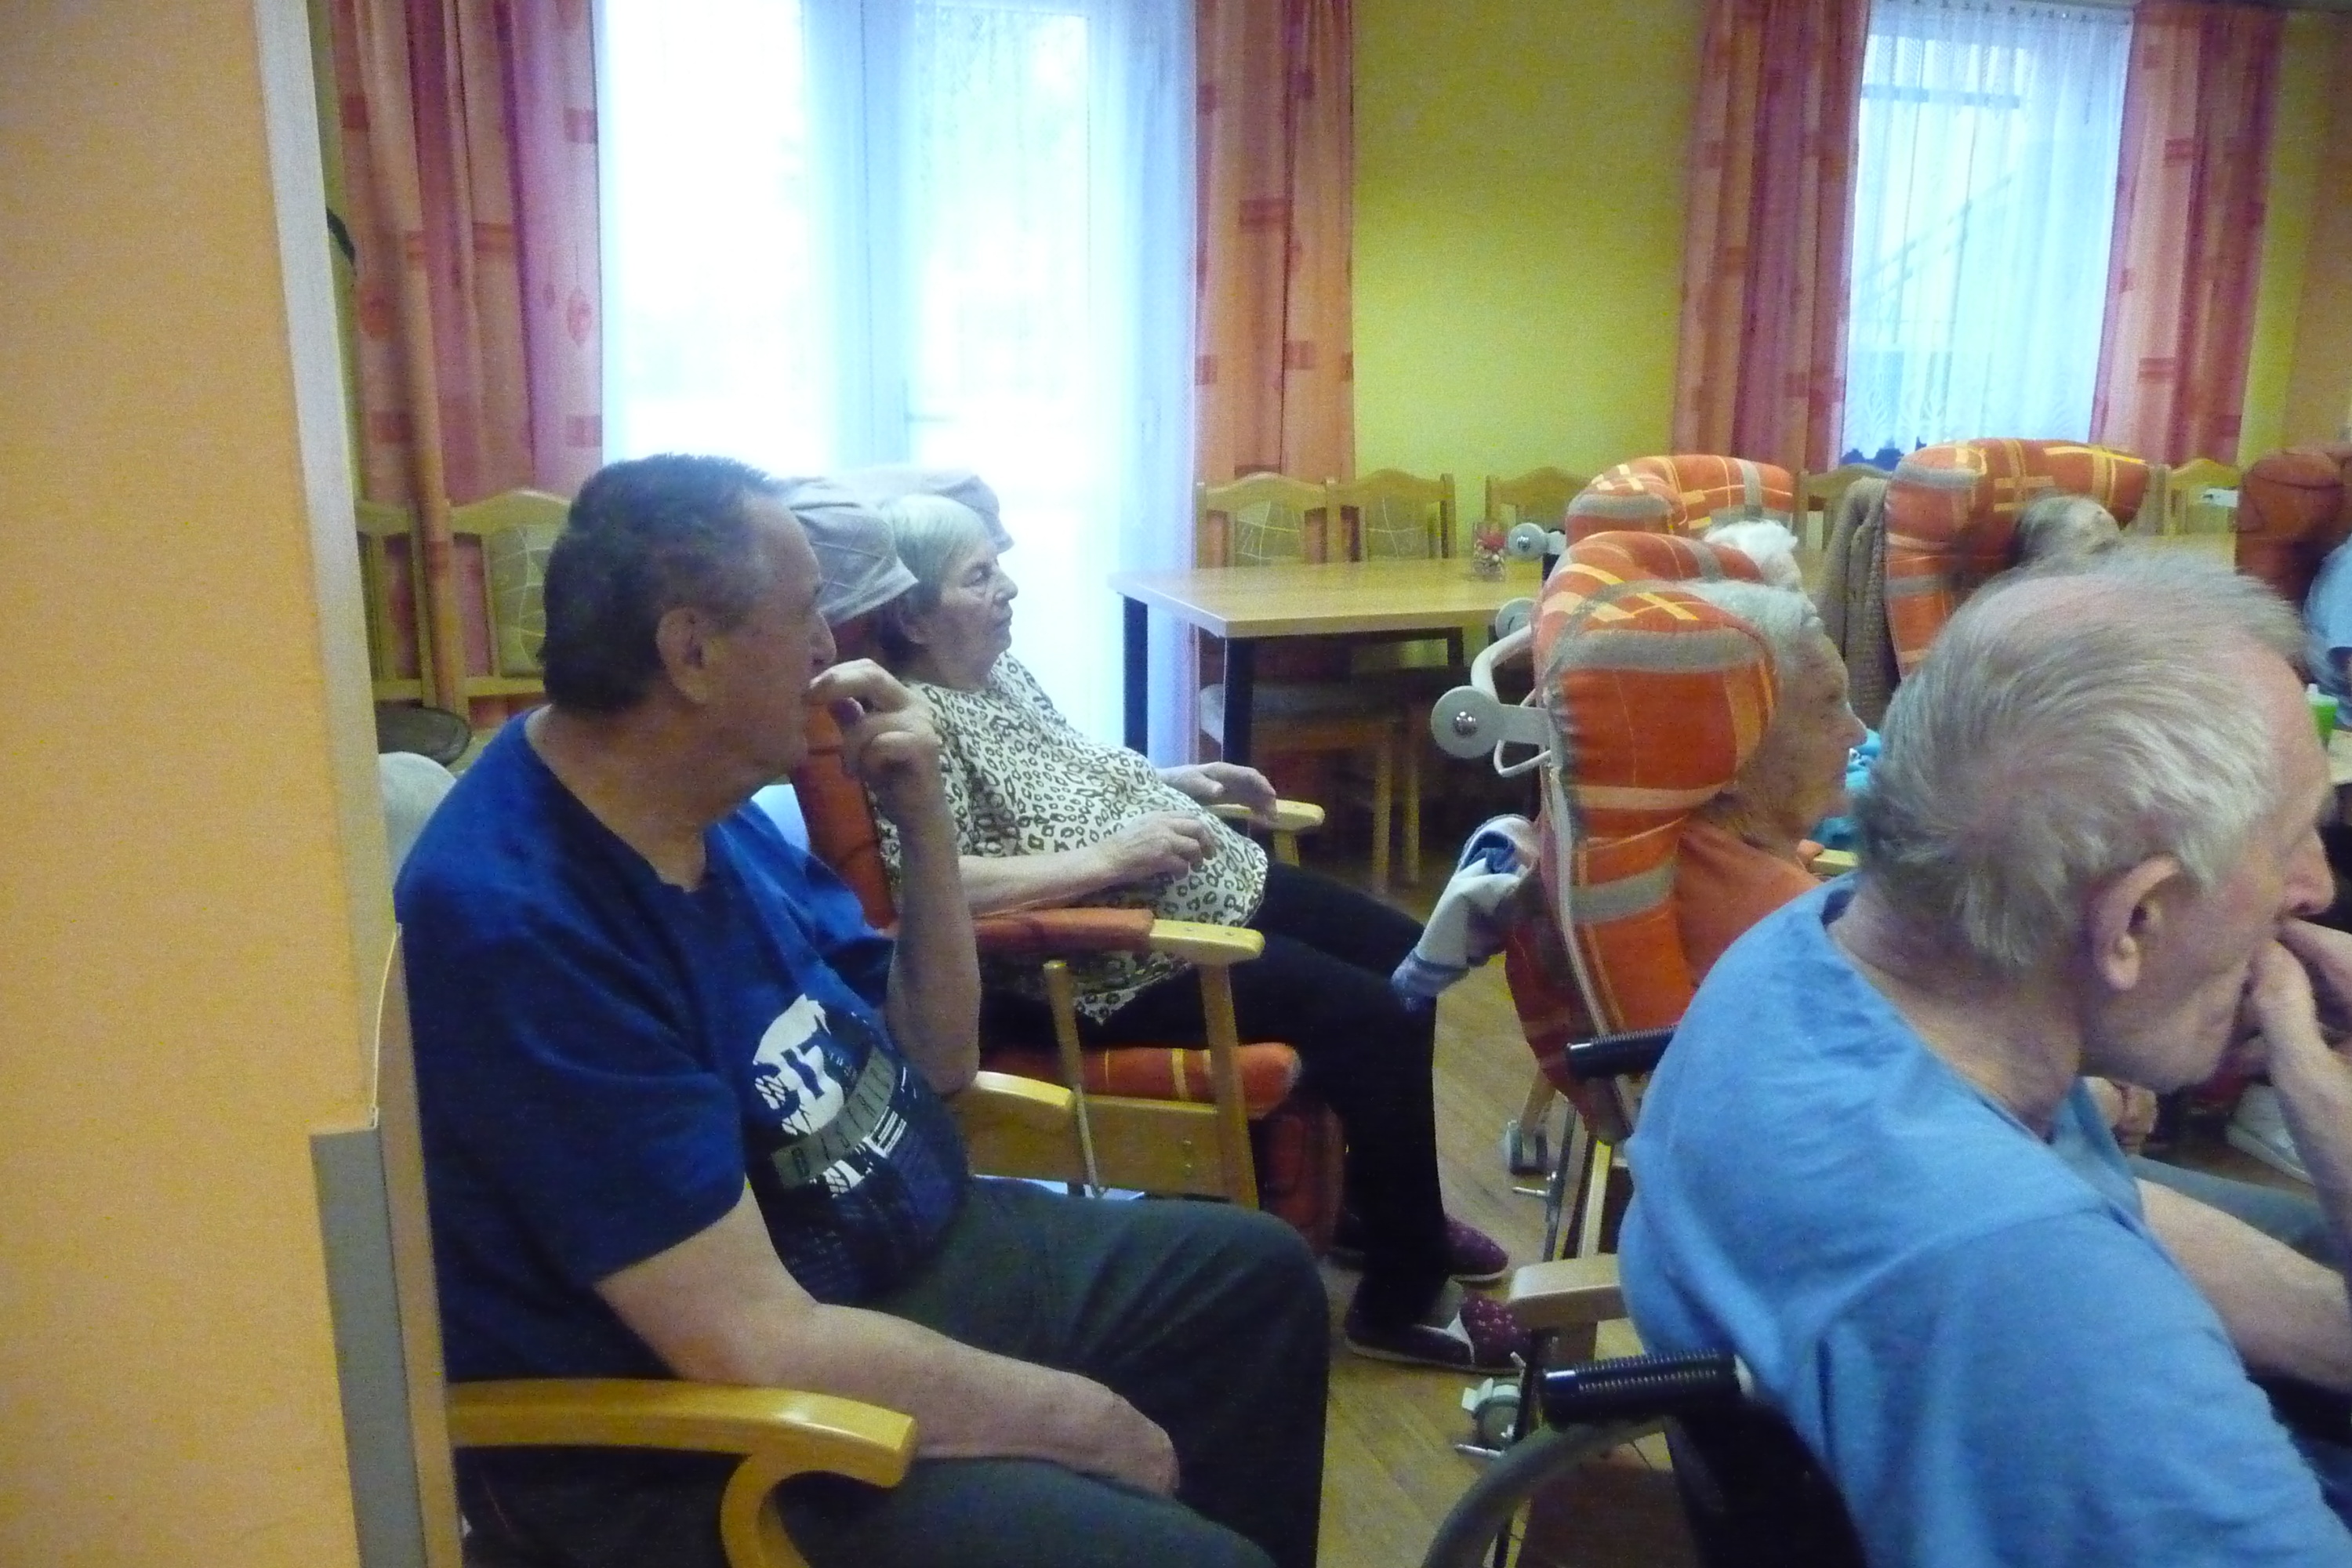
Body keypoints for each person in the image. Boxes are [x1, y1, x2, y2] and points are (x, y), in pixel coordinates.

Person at [394, 455, 1328, 1568]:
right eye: (806, 616)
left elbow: (937, 1060)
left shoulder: (700, 807)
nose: (829, 649)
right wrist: (1083, 1421)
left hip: (891, 1259)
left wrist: (922, 818)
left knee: (1256, 1282)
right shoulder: (522, 923)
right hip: (706, 1438)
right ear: (691, 652)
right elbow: (751, 1344)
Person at [1622, 550, 2352, 1566]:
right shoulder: (2033, 1286)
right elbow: (2045, 1254)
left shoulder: (1805, 957)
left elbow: (2098, 1209)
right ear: (2135, 919)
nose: (2318, 889)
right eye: (2291, 841)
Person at [862, 491, 1523, 1372]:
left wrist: (1177, 782)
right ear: (912, 615)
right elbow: (931, 887)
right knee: (1377, 1014)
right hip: (1116, 958)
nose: (1008, 588)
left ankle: (1375, 1208)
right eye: (979, 576)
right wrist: (1111, 856)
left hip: (1208, 883)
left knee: (1410, 961)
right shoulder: (908, 727)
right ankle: (1402, 1299)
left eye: (1000, 565)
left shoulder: (996, 668)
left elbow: (1074, 775)